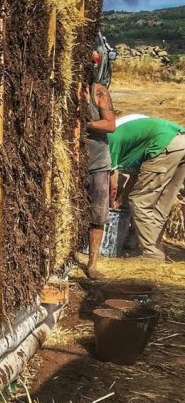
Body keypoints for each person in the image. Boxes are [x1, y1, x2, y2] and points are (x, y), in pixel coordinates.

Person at [109, 117, 185, 261]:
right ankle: (156, 249)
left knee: (139, 202)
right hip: (180, 141)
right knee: (160, 205)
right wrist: (122, 197)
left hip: (163, 144)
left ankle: (152, 256)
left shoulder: (108, 140)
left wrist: (112, 201)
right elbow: (135, 177)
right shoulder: (129, 136)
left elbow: (112, 182)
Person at [84, 36, 116, 280]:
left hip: (97, 164)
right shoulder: (71, 89)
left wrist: (85, 123)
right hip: (78, 163)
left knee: (97, 214)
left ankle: (92, 264)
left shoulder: (99, 92)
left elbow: (110, 125)